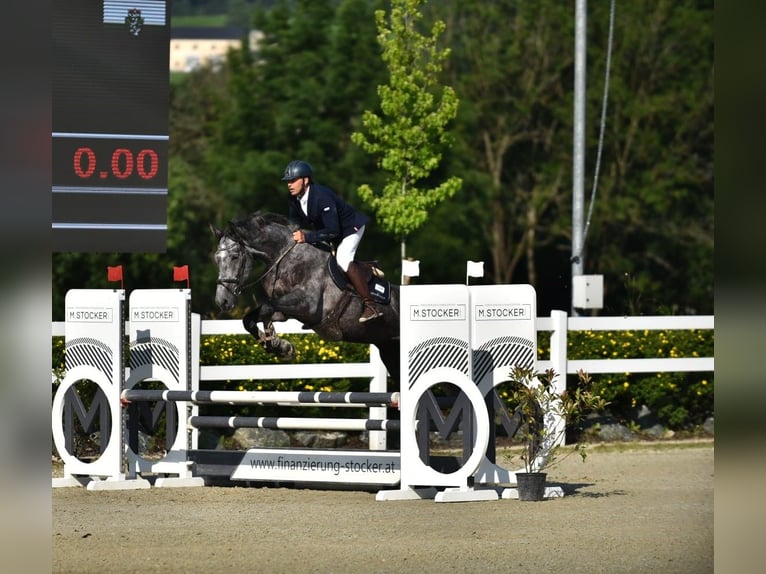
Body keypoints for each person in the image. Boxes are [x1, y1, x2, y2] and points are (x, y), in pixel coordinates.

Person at [282, 160, 383, 323]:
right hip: (331, 231)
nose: (289, 184)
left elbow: (333, 230)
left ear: (305, 180)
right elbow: (295, 223)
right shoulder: (293, 198)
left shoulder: (322, 197)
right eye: (288, 181)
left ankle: (371, 306)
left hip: (350, 228)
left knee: (343, 260)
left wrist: (307, 237)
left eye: (293, 180)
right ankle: (365, 267)